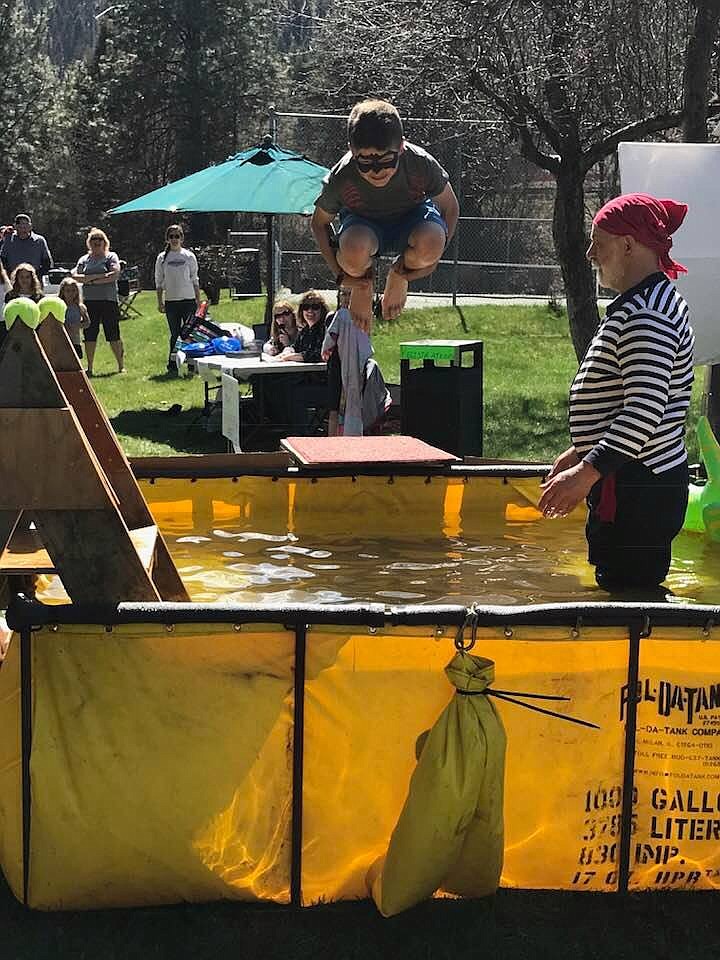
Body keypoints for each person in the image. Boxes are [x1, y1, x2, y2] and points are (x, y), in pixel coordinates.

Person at [538, 193, 695, 596]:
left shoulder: (647, 314)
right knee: (623, 583)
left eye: (599, 242)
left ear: (628, 244)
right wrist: (582, 452)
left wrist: (584, 473)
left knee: (631, 592)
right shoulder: (648, 303)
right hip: (635, 480)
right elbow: (632, 403)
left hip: (639, 488)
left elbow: (643, 412)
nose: (590, 253)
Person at [311, 99, 459, 330]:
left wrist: (431, 259)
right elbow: (319, 223)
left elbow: (450, 207)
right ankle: (364, 283)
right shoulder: (342, 176)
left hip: (413, 219)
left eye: (386, 159)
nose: (377, 171)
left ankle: (398, 273)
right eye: (366, 162)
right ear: (352, 150)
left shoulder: (419, 163)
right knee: (353, 249)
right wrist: (346, 278)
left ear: (401, 146)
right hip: (363, 225)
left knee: (431, 243)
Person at [71, 227, 125, 376]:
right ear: (89, 242)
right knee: (90, 334)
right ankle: (90, 367)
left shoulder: (111, 256)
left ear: (104, 242)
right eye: (93, 239)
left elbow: (114, 275)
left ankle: (121, 366)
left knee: (113, 333)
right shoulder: (84, 259)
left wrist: (90, 280)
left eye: (99, 239)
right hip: (89, 301)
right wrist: (101, 276)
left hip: (108, 300)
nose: (96, 242)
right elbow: (75, 275)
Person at [155, 224, 201, 373]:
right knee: (175, 334)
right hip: (171, 302)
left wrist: (198, 300)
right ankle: (173, 364)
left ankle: (192, 363)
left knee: (188, 333)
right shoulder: (162, 258)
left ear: (182, 238)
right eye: (171, 236)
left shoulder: (189, 256)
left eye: (177, 236)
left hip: (188, 300)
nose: (174, 239)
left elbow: (195, 279)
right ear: (167, 239)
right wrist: (159, 301)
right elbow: (159, 281)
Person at [0, 213, 53, 279]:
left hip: (34, 280)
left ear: (31, 226)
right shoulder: (8, 239)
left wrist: (37, 275)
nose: (23, 230)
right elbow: (2, 260)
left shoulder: (39, 241)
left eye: (25, 226)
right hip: (13, 280)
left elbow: (47, 262)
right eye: (20, 227)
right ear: (15, 227)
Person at [2, 262, 42, 345]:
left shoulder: (39, 297)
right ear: (17, 278)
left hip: (34, 338)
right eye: (21, 277)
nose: (24, 280)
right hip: (13, 338)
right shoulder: (10, 296)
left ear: (32, 278)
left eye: (27, 277)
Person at [58, 277, 90, 360]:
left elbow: (87, 322)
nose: (71, 293)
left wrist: (78, 325)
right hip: (61, 339)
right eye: (68, 291)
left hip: (75, 339)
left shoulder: (80, 307)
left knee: (75, 360)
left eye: (73, 290)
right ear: (63, 292)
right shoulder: (58, 306)